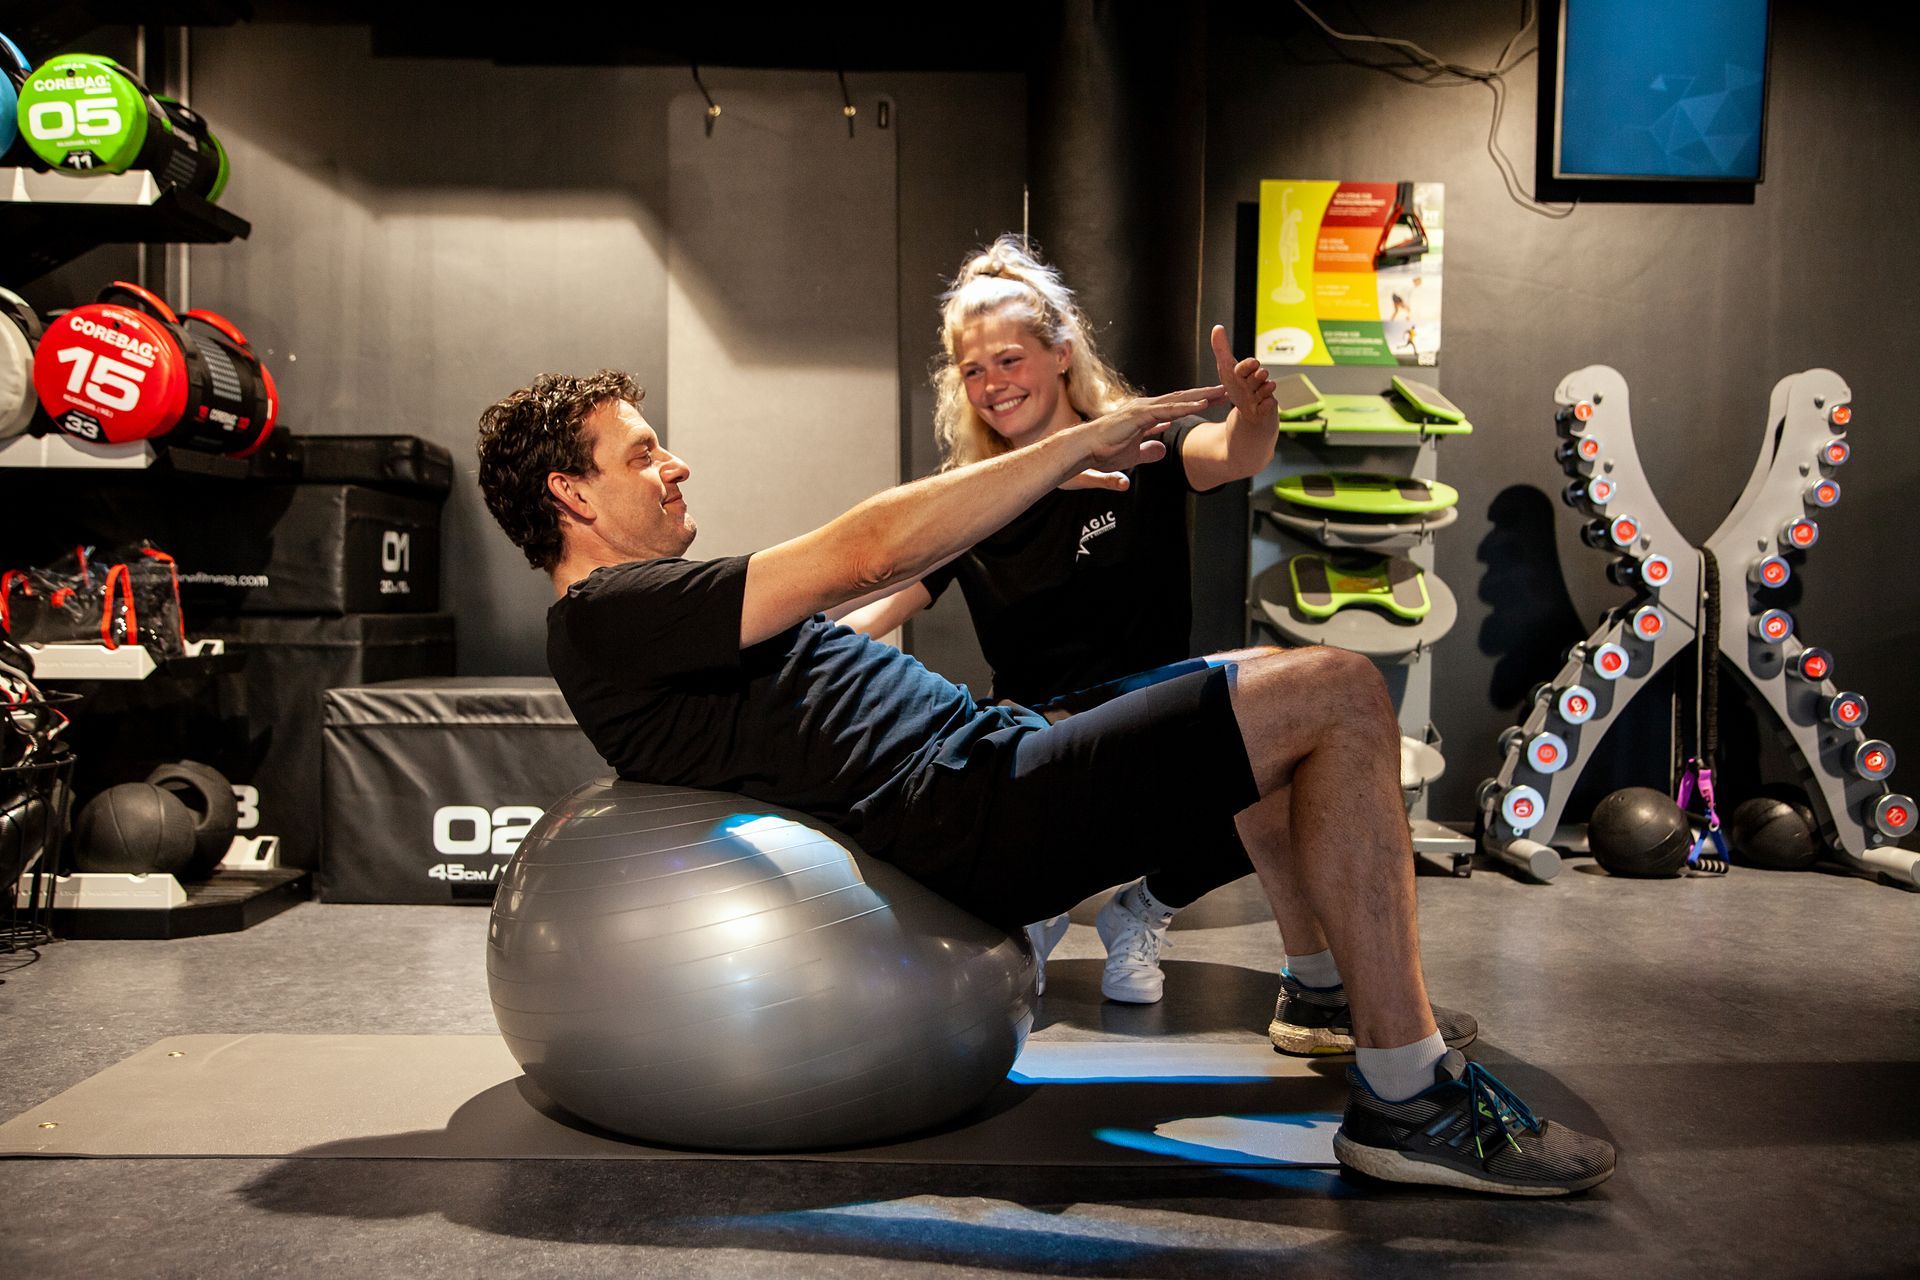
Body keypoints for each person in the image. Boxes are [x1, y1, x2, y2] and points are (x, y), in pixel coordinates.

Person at [473, 362, 1618, 1196]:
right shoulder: (605, 614)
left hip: (992, 753)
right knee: (1338, 690)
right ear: (573, 496)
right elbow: (864, 549)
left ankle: (1330, 993)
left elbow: (893, 569)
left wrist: (1047, 480)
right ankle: (1409, 1092)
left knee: (1274, 684)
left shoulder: (641, 616)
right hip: (980, 805)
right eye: (640, 453)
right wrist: (1072, 443)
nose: (673, 465)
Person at [837, 236, 1295, 1007]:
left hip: (1151, 721)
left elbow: (1232, 455)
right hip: (1040, 747)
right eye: (973, 369)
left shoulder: (1138, 442)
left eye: (1008, 360)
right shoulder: (973, 492)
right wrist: (776, 658)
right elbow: (883, 603)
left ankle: (1141, 911)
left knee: (1278, 754)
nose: (991, 385)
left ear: (1061, 353)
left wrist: (1257, 417)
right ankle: (1037, 907)